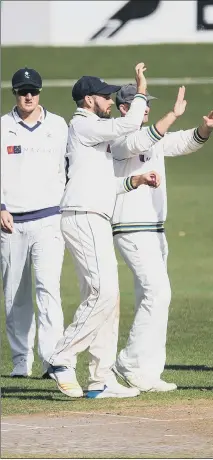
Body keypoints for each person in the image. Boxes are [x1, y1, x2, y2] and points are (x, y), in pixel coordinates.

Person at [48, 63, 163, 399]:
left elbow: (102, 183)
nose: (110, 99)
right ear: (87, 100)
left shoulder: (92, 131)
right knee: (105, 293)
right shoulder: (84, 124)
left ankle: (100, 378)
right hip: (83, 216)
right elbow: (129, 123)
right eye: (104, 95)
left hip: (92, 212)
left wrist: (135, 180)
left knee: (105, 300)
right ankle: (61, 356)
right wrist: (141, 87)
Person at [110, 83, 213, 392]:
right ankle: (129, 360)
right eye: (140, 103)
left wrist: (205, 127)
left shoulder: (154, 137)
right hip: (131, 227)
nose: (146, 108)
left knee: (153, 298)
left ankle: (148, 372)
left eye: (147, 103)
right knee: (158, 294)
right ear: (124, 108)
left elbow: (184, 142)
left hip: (154, 229)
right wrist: (173, 114)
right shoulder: (117, 138)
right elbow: (144, 140)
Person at [1, 67, 67, 379]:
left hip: (49, 218)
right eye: (22, 91)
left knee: (48, 289)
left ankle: (53, 359)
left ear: (39, 92)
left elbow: (69, 165)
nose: (28, 96)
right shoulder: (2, 127)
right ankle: (20, 361)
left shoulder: (58, 125)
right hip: (10, 222)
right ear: (14, 93)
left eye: (33, 91)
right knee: (15, 294)